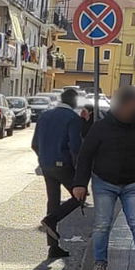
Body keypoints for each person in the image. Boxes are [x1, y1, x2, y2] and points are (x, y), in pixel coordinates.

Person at [74, 86, 135, 270]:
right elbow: (85, 155)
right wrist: (80, 183)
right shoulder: (101, 127)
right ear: (122, 106)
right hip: (104, 182)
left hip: (133, 183)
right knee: (102, 225)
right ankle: (99, 264)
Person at [32, 89, 83, 259]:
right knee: (80, 196)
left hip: (46, 165)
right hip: (64, 165)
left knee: (52, 201)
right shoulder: (73, 119)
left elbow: (34, 144)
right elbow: (75, 147)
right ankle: (51, 220)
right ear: (74, 102)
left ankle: (53, 247)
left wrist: (43, 158)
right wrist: (79, 172)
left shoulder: (45, 116)